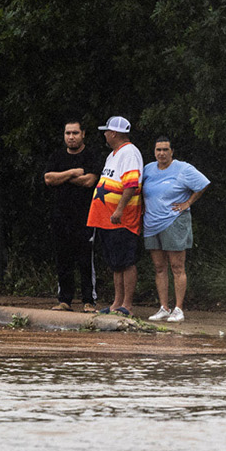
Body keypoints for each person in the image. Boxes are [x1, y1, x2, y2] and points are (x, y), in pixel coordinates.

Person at [141, 137, 209, 322]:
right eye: (158, 150)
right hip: (151, 223)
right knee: (159, 267)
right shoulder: (148, 169)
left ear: (172, 151)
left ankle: (178, 308)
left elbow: (203, 184)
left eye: (165, 149)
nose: (161, 153)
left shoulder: (182, 168)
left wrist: (187, 202)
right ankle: (164, 307)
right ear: (154, 152)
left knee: (177, 266)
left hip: (174, 221)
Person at [88, 116, 143, 317]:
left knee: (126, 261)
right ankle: (116, 303)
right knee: (115, 263)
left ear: (113, 133)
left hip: (122, 219)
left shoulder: (129, 153)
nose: (104, 134)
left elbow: (131, 184)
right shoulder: (113, 155)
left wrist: (119, 210)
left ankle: (127, 305)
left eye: (106, 131)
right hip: (107, 220)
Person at [41, 121, 99, 311]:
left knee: (85, 260)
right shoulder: (57, 156)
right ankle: (64, 300)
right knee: (63, 259)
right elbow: (49, 179)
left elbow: (89, 181)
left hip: (85, 217)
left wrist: (62, 178)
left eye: (75, 132)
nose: (71, 136)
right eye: (68, 133)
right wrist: (73, 173)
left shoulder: (91, 156)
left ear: (83, 134)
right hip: (60, 217)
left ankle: (88, 301)